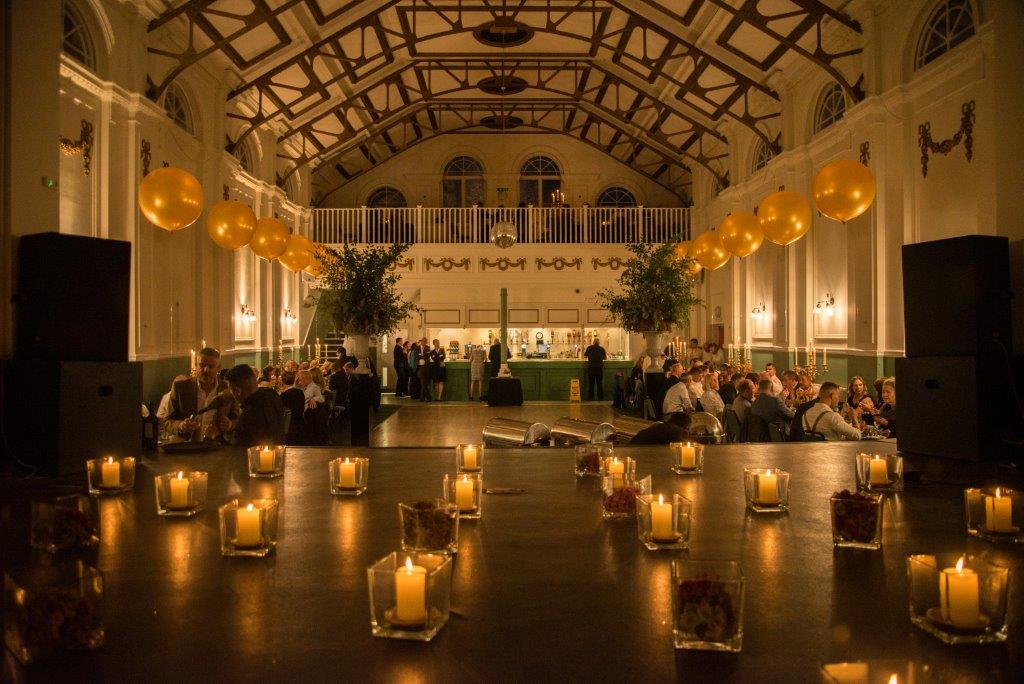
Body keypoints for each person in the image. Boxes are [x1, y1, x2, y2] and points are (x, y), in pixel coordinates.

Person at [163, 348, 235, 441]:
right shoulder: (181, 388)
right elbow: (167, 422)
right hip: (188, 448)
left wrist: (230, 424)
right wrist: (181, 426)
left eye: (211, 366)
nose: (206, 370)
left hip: (218, 448)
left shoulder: (228, 388)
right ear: (196, 365)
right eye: (202, 365)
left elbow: (238, 420)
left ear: (219, 368)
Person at [223, 364, 285, 446]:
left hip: (256, 456)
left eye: (231, 390)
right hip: (277, 451)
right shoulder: (272, 395)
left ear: (238, 391)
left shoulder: (250, 412)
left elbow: (238, 447)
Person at [279, 371, 305, 442]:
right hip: (300, 422)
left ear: (283, 381)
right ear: (294, 380)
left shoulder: (283, 395)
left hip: (288, 425)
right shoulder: (300, 392)